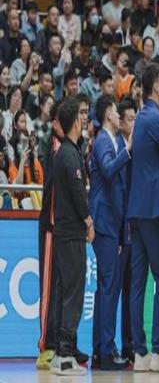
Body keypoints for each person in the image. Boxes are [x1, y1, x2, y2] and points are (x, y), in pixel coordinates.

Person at [126, 62, 159, 371]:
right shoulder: (157, 119)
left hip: (136, 210)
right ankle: (158, 349)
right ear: (155, 84)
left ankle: (139, 352)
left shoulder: (141, 117)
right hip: (154, 210)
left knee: (138, 284)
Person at [50, 96, 94, 376]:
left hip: (64, 233)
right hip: (71, 233)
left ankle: (62, 351)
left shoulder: (66, 151)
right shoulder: (68, 153)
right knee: (72, 294)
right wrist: (89, 221)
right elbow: (79, 194)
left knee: (66, 291)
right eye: (81, 115)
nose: (84, 119)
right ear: (75, 122)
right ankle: (65, 354)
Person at [89, 95, 131, 370]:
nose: (118, 115)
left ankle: (100, 349)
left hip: (111, 223)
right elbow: (106, 169)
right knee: (108, 287)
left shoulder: (111, 140)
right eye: (116, 111)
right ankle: (105, 351)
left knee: (107, 287)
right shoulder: (105, 141)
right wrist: (127, 151)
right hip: (104, 222)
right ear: (107, 115)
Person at [35, 99, 63, 369]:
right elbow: (51, 190)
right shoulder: (50, 146)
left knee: (61, 286)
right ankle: (45, 345)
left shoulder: (68, 146)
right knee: (47, 287)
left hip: (64, 227)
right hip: (50, 226)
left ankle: (60, 342)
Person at [116, 97, 136, 363]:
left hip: (133, 227)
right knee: (116, 289)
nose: (133, 123)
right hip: (119, 228)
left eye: (135, 119)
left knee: (131, 290)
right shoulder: (118, 146)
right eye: (129, 119)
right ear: (120, 122)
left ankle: (129, 345)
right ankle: (111, 346)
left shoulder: (136, 147)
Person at [33, 94, 55, 164]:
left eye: (53, 105)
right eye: (49, 104)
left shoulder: (54, 126)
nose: (51, 107)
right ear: (41, 106)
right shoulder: (33, 124)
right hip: (36, 160)